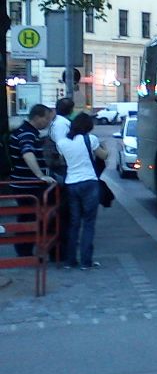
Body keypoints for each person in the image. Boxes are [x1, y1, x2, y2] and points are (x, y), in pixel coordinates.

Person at [56, 112, 108, 270]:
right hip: (89, 182)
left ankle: (70, 260)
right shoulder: (90, 139)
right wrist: (105, 147)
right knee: (89, 223)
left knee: (74, 223)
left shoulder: (62, 142)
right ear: (88, 126)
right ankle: (86, 262)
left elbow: (63, 161)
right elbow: (103, 156)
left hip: (71, 184)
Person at [7, 103, 56, 256]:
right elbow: (27, 153)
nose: (48, 122)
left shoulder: (23, 131)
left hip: (22, 183)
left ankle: (25, 249)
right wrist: (40, 175)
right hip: (28, 185)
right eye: (46, 118)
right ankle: (25, 250)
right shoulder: (27, 134)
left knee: (27, 216)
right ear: (37, 117)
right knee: (32, 217)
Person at [47, 97, 74, 257]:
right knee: (64, 211)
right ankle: (60, 249)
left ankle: (60, 247)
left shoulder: (56, 122)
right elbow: (62, 146)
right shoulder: (62, 124)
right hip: (62, 170)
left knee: (62, 211)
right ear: (70, 110)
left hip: (59, 169)